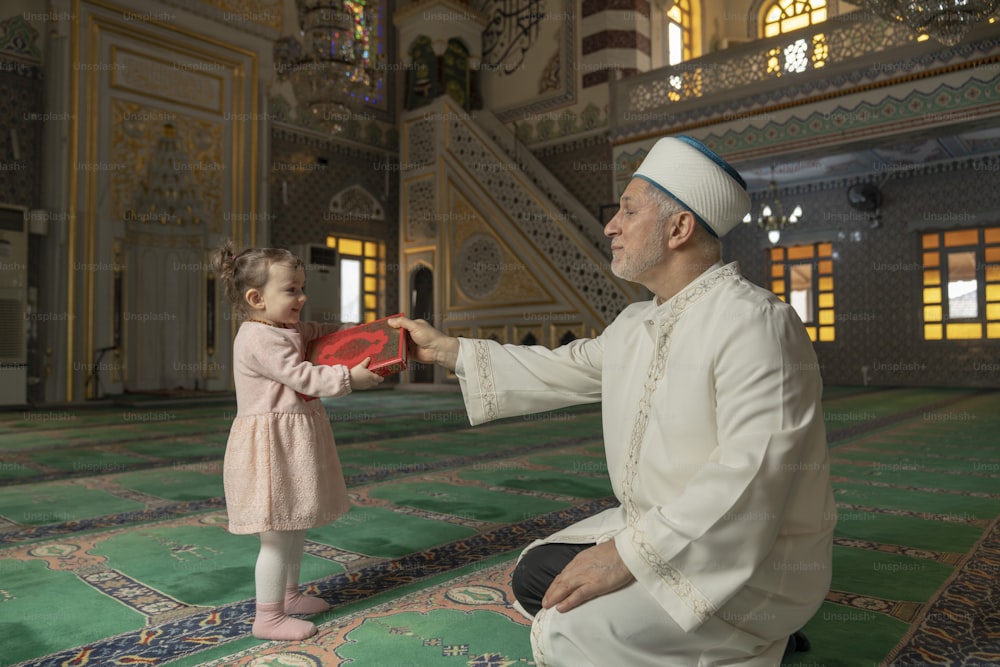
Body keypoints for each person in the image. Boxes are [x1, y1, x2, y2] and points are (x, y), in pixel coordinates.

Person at [389, 135, 836, 666]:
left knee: (564, 631)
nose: (610, 226)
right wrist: (448, 349)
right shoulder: (639, 321)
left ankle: (763, 640)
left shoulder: (755, 322)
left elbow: (750, 475)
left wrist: (627, 557)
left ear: (679, 228)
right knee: (537, 574)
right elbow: (564, 367)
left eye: (628, 210)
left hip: (744, 558)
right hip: (664, 529)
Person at [212, 242, 383, 640]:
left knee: (293, 526)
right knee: (275, 536)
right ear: (256, 298)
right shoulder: (258, 338)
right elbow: (303, 375)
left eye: (302, 287)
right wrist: (348, 379)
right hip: (271, 451)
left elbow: (321, 336)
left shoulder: (284, 327)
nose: (302, 297)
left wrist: (364, 335)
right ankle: (267, 617)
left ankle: (288, 597)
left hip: (292, 443)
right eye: (291, 290)